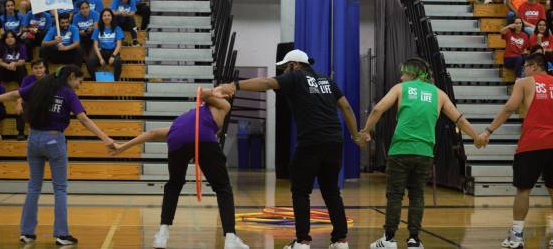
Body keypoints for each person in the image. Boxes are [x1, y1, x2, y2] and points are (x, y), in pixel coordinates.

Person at [218, 49, 368, 249]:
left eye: (284, 67)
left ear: (295, 64)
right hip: (334, 142)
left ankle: (303, 241)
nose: (282, 73)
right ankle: (341, 240)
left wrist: (235, 85)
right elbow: (347, 108)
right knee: (332, 192)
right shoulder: (326, 81)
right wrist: (356, 136)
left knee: (300, 192)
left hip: (311, 143)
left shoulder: (295, 77)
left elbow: (268, 83)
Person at [0, 64, 117, 245]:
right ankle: (62, 234)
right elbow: (83, 118)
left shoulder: (39, 85)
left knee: (34, 186)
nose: (79, 86)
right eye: (79, 81)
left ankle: (26, 232)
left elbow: (13, 95)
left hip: (33, 139)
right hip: (54, 140)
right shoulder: (68, 93)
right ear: (71, 76)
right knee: (59, 188)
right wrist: (105, 138)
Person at [356, 58, 486, 249]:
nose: (401, 77)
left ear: (412, 73)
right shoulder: (439, 94)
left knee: (394, 195)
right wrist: (476, 137)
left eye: (403, 73)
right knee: (417, 195)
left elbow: (377, 108)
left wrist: (365, 131)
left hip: (400, 151)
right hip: (425, 153)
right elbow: (459, 119)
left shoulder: (401, 89)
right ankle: (414, 240)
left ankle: (389, 239)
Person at [111, 87, 250, 249]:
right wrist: (215, 92)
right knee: (223, 187)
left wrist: (122, 147)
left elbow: (153, 132)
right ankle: (231, 238)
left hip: (176, 136)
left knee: (174, 185)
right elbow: (201, 93)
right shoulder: (223, 106)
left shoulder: (187, 119)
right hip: (202, 137)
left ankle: (162, 235)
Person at [480, 52, 553, 249]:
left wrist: (488, 131)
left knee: (523, 190)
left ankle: (517, 236)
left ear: (534, 67)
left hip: (533, 143)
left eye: (525, 67)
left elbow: (508, 108)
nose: (524, 70)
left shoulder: (524, 83)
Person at [86, 9, 123, 81]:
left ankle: (115, 82)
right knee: (89, 62)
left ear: (112, 17)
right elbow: (95, 46)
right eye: (104, 16)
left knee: (118, 61)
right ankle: (96, 81)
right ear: (101, 17)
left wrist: (113, 56)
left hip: (113, 53)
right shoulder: (97, 29)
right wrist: (100, 58)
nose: (107, 18)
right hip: (101, 53)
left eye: (109, 15)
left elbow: (118, 45)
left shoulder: (117, 29)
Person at [15, 58, 45, 141]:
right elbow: (20, 93)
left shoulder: (49, 79)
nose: (38, 70)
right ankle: (21, 132)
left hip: (45, 105)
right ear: (32, 69)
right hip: (31, 104)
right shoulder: (27, 79)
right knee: (21, 106)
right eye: (36, 68)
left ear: (44, 68)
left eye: (40, 67)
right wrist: (18, 104)